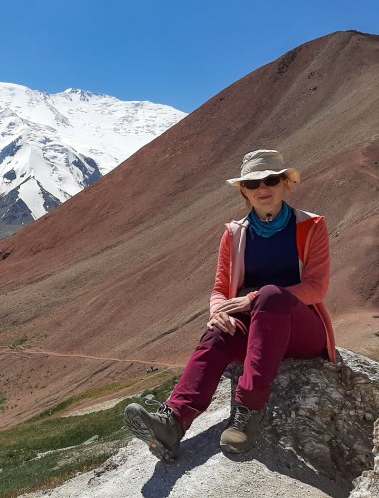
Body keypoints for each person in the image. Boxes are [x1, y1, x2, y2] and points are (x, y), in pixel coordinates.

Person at [124, 149, 335, 459]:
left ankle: (249, 410)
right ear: (243, 190)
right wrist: (217, 313)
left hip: (303, 334)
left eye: (270, 180)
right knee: (217, 334)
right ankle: (173, 421)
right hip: (257, 331)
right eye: (252, 184)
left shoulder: (311, 225)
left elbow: (316, 288)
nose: (262, 189)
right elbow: (221, 288)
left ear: (285, 183)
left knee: (271, 295)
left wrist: (253, 298)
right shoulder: (235, 234)